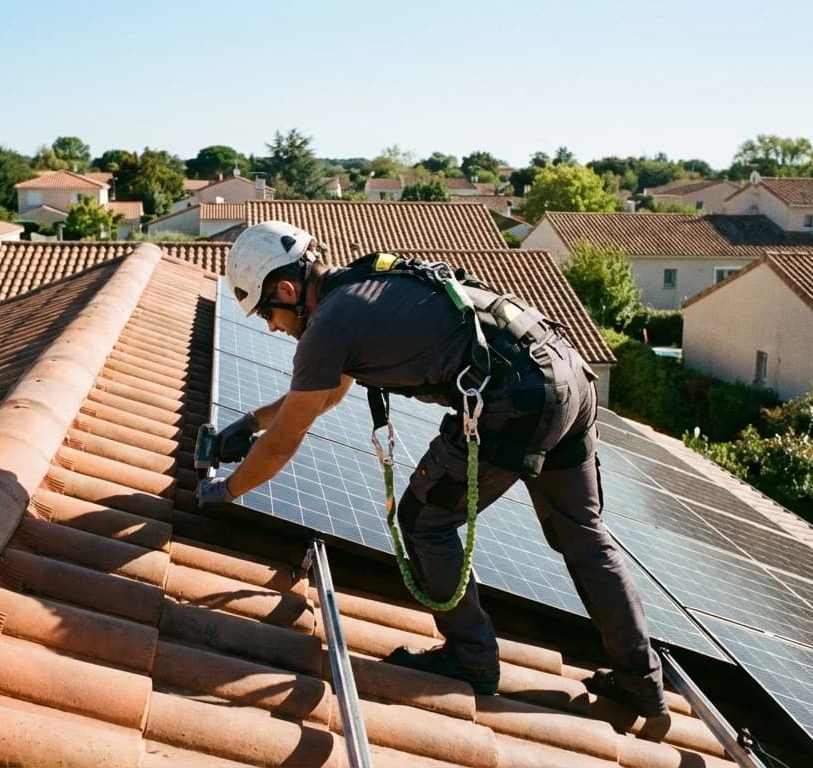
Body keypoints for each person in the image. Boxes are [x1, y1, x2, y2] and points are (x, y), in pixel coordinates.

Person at [197, 220, 667, 716]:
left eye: (268, 313)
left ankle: (472, 661)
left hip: (515, 400)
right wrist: (250, 422)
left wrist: (225, 491)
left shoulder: (329, 325)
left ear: (287, 290)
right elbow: (326, 395)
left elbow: (286, 439)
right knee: (583, 534)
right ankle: (643, 682)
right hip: (565, 374)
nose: (272, 326)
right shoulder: (359, 286)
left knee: (423, 521)